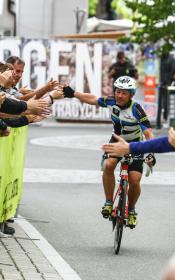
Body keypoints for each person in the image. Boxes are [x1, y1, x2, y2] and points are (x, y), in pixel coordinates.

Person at [60, 76, 154, 228]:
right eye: (117, 92)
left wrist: (150, 152)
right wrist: (74, 93)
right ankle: (109, 202)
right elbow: (93, 99)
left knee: (134, 180)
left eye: (124, 93)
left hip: (135, 145)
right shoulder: (111, 101)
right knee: (109, 165)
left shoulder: (136, 109)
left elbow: (149, 133)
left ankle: (131, 210)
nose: (120, 96)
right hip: (117, 141)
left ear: (131, 95)